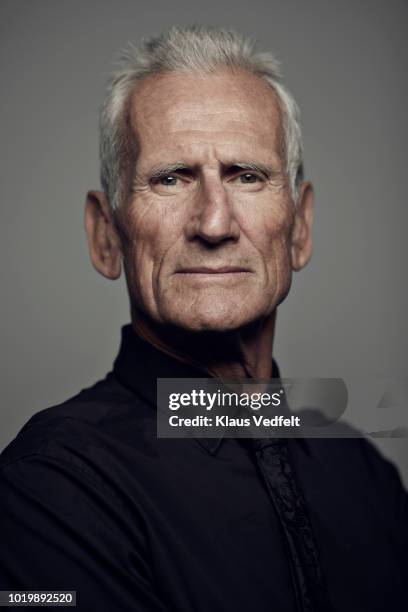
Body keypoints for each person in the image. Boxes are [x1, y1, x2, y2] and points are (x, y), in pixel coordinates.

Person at [0, 25, 407, 612]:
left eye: (248, 175)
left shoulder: (362, 472)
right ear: (106, 236)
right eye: (171, 178)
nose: (214, 224)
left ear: (299, 229)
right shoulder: (48, 487)